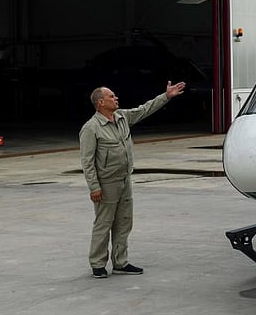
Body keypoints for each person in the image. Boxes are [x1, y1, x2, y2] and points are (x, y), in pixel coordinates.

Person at [79, 80, 186, 278]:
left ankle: (120, 262)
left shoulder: (122, 117)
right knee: (104, 223)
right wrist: (94, 187)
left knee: (124, 223)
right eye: (111, 96)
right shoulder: (91, 128)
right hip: (106, 184)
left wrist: (166, 96)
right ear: (100, 102)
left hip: (124, 181)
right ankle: (98, 264)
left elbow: (144, 110)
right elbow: (87, 161)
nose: (116, 98)